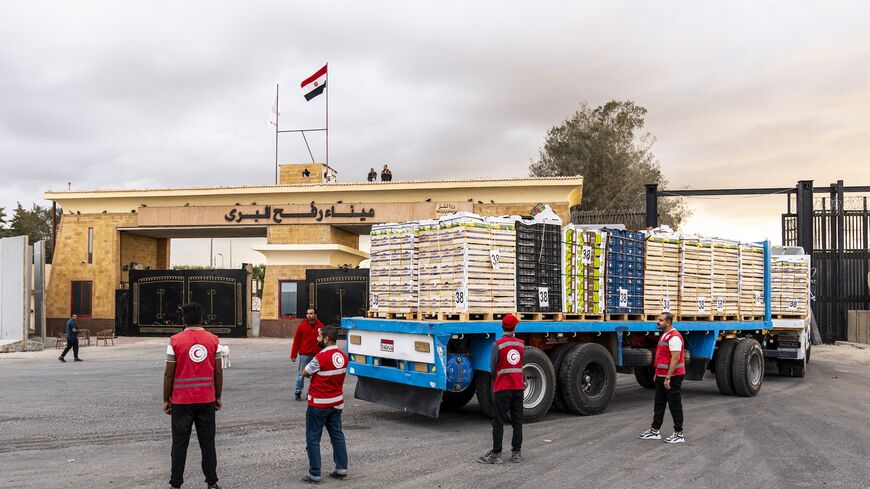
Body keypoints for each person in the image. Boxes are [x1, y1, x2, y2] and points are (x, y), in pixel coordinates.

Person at [163, 302, 223, 489]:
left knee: (180, 443)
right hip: (206, 399)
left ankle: (176, 484)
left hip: (181, 401)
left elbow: (169, 374)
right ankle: (212, 483)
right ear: (202, 319)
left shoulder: (174, 341)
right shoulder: (214, 340)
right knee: (207, 443)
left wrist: (166, 399)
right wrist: (217, 396)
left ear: (183, 320)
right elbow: (218, 373)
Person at [301, 325, 349, 483]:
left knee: (313, 439)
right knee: (337, 436)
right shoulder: (342, 357)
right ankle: (341, 469)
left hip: (319, 404)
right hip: (336, 403)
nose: (317, 339)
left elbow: (305, 372)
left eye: (319, 336)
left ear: (326, 339)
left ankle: (315, 473)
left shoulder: (320, 357)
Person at [478, 313, 524, 464]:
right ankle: (516, 454)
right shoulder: (521, 344)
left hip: (502, 388)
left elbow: (492, 368)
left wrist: (496, 380)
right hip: (518, 387)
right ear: (515, 327)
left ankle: (496, 454)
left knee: (498, 421)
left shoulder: (497, 345)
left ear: (502, 327)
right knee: (517, 421)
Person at [638, 312, 686, 444]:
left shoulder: (675, 337)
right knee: (659, 403)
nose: (657, 322)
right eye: (658, 319)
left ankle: (679, 433)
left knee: (674, 404)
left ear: (668, 323)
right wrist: (658, 373)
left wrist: (668, 377)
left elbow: (675, 359)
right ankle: (655, 430)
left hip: (673, 377)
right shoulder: (665, 335)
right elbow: (662, 357)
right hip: (662, 375)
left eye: (661, 320)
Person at [291, 308, 324, 401]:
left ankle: (311, 393)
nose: (309, 315)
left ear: (315, 315)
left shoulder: (321, 326)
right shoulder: (302, 326)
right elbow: (296, 340)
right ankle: (298, 392)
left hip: (317, 355)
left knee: (316, 375)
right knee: (301, 374)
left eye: (311, 313)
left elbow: (324, 341)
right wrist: (293, 354)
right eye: (308, 313)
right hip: (305, 354)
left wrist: (324, 353)